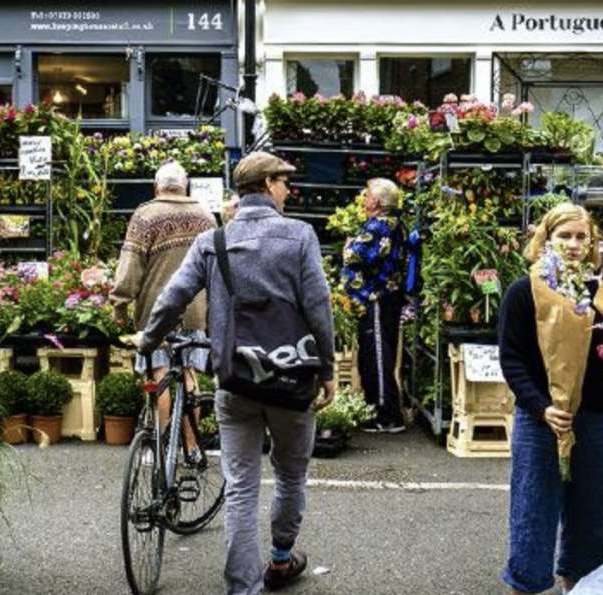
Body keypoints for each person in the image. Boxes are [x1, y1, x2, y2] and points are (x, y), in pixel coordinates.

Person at [136, 151, 336, 595]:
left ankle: (242, 588)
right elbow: (319, 309)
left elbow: (173, 298)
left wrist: (148, 341)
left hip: (236, 381)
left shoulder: (214, 242)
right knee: (288, 475)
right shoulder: (300, 236)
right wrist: (327, 368)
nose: (288, 189)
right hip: (292, 378)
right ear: (266, 185)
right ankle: (281, 560)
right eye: (284, 181)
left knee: (241, 486)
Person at [498, 203, 603, 594]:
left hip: (592, 414)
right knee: (533, 509)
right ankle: (527, 584)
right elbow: (511, 360)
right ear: (545, 240)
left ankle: (581, 584)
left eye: (582, 236)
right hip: (539, 417)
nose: (574, 244)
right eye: (565, 236)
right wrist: (540, 406)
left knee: (589, 511)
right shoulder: (524, 292)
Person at [110, 161, 216, 455]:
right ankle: (192, 448)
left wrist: (119, 306)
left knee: (161, 373)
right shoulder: (206, 217)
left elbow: (130, 267)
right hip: (195, 310)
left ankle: (162, 449)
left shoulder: (146, 215)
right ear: (186, 186)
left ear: (157, 187)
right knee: (190, 374)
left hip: (155, 313)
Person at [341, 178, 408, 433]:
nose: (364, 198)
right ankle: (378, 410)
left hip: (377, 299)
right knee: (374, 354)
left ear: (377, 201)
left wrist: (349, 245)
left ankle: (386, 414)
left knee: (378, 355)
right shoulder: (388, 223)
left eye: (367, 194)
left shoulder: (382, 225)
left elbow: (353, 254)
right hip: (379, 299)